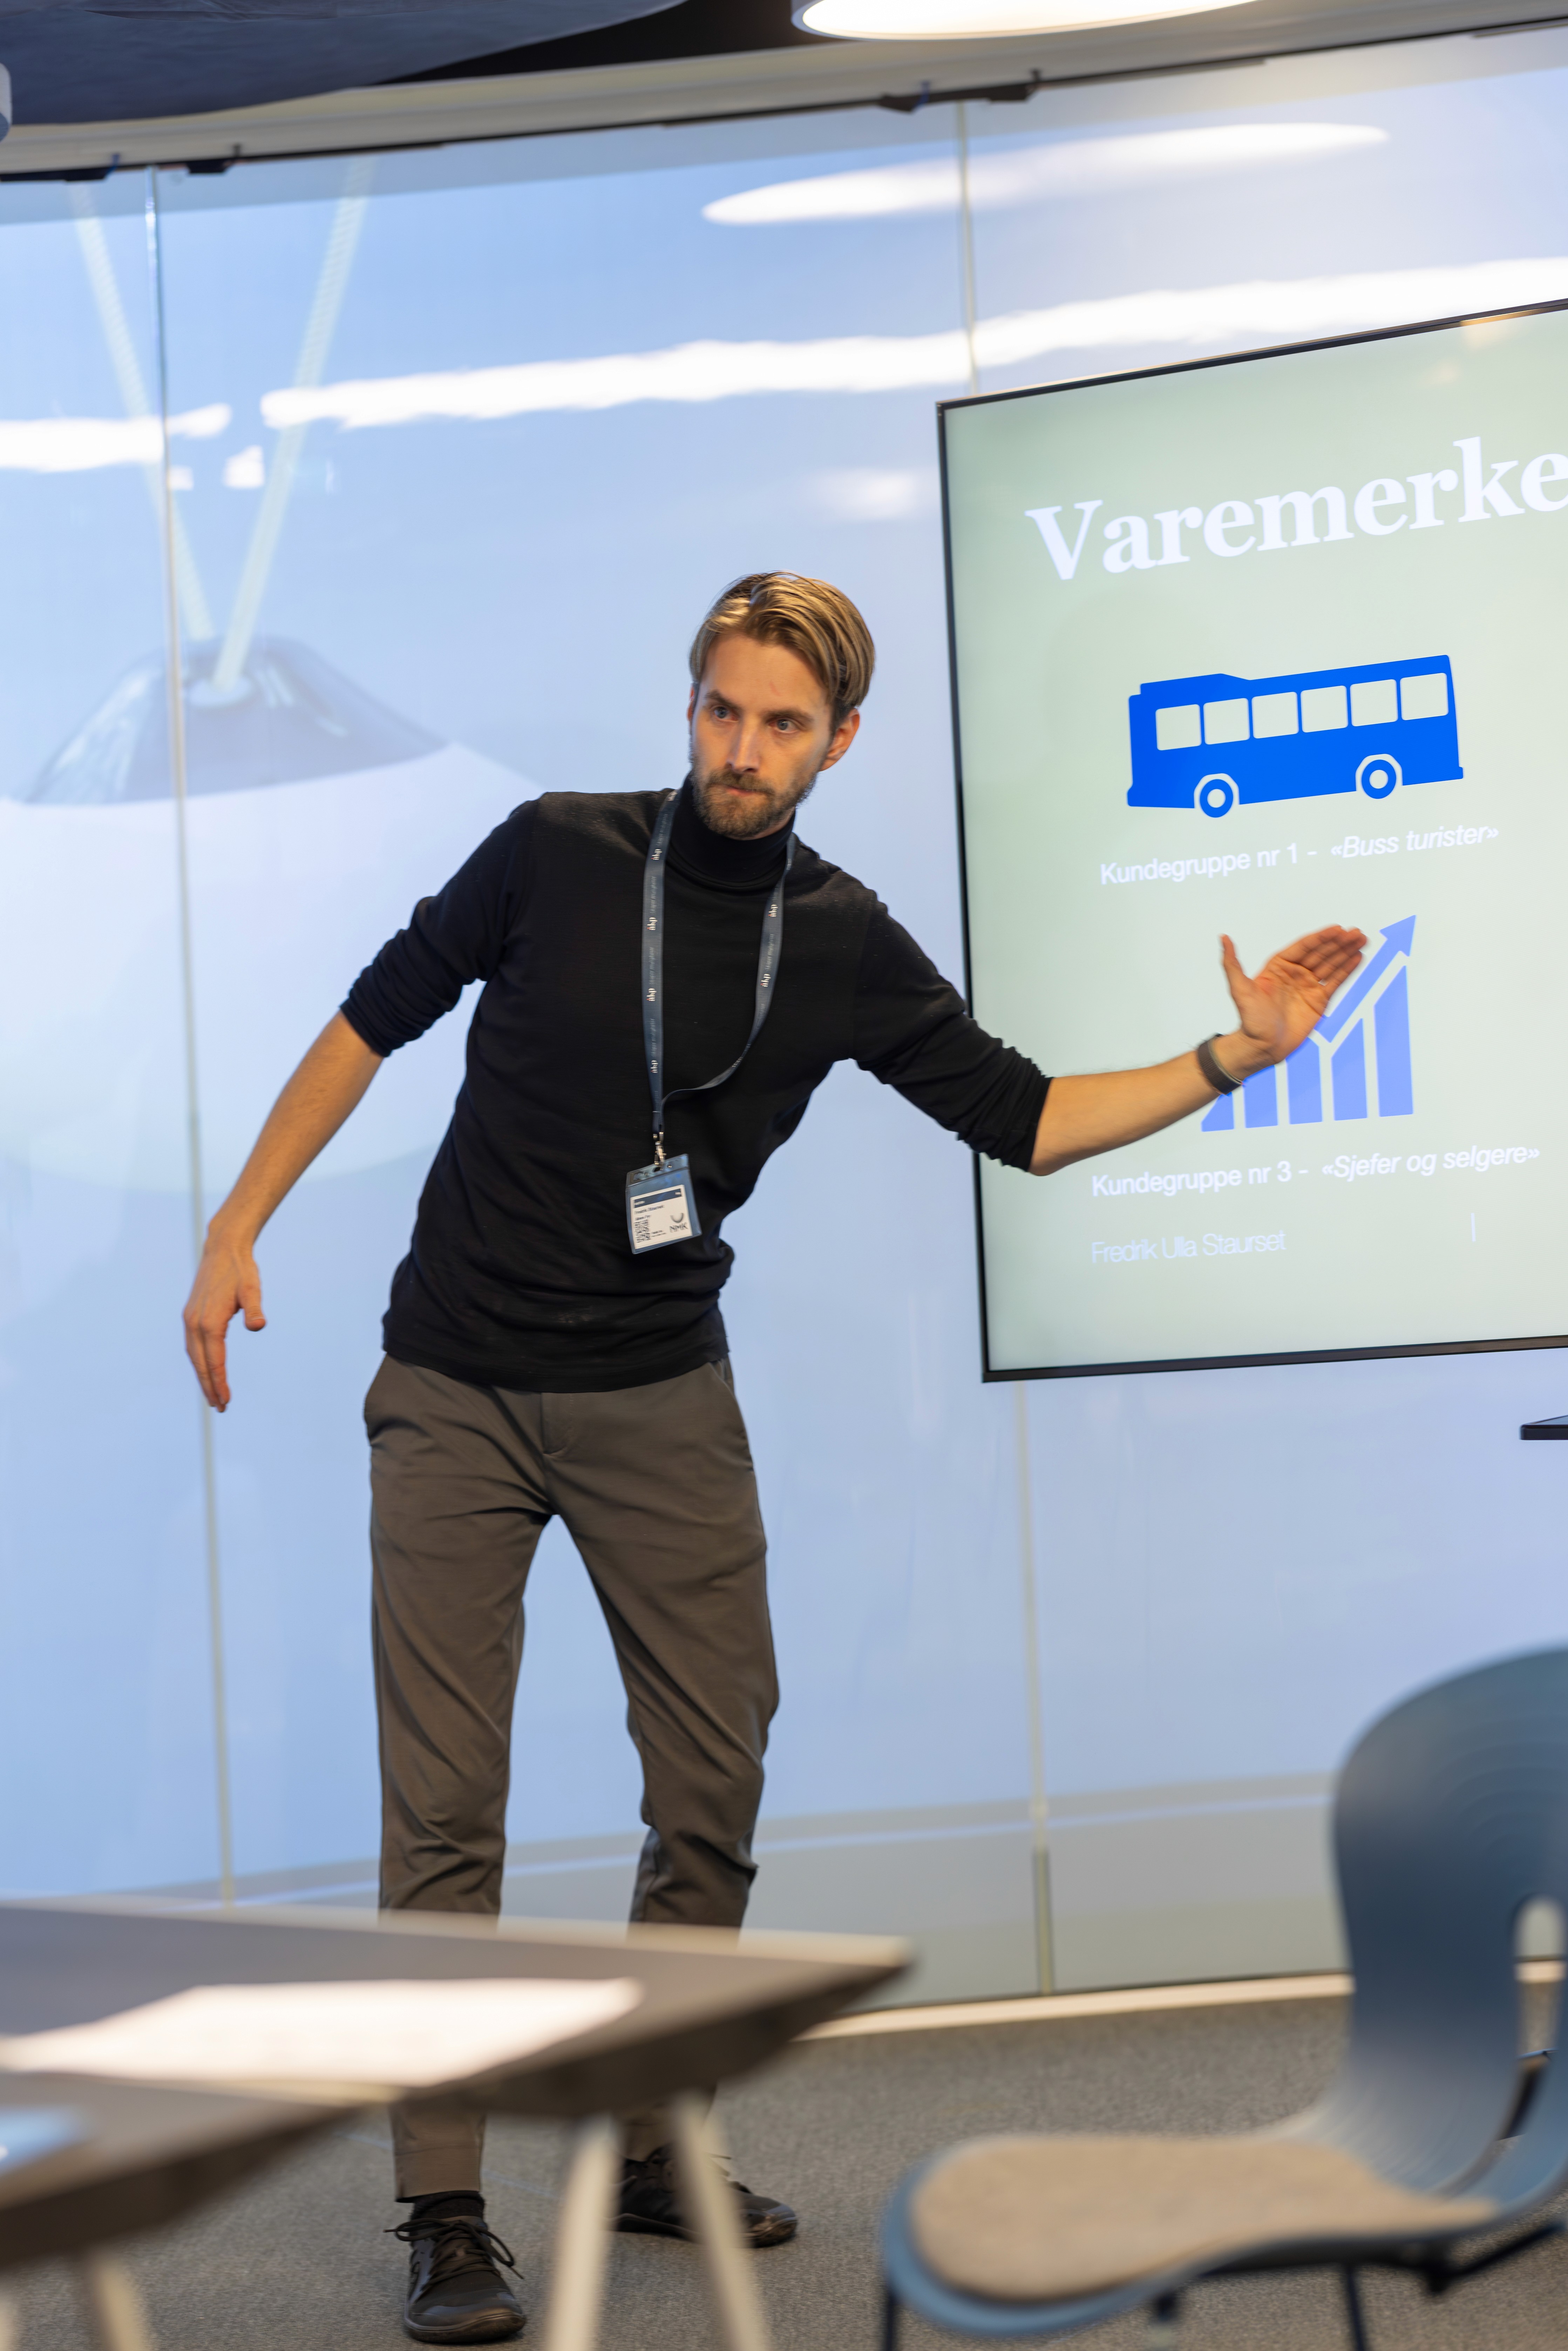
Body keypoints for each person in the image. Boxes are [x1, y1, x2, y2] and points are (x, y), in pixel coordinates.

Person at [182, 572, 1364, 2343]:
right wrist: (236, 1224)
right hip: (454, 1383)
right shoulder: (554, 851)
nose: (743, 750)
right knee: (443, 1811)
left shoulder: (841, 939)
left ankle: (655, 2136)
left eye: (783, 725)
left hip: (659, 1390)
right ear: (692, 705)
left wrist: (1234, 1054)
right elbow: (372, 1019)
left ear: (840, 742)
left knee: (713, 1776)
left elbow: (1028, 1119)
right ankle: (444, 2203)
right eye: (723, 711)